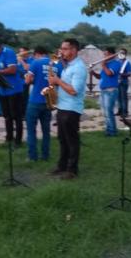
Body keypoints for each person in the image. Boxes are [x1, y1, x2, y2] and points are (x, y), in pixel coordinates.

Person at [48, 38, 87, 179]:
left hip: (71, 109)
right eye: (61, 48)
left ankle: (72, 170)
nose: (61, 51)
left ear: (73, 50)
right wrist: (54, 82)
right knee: (62, 139)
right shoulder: (68, 66)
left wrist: (57, 80)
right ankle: (62, 166)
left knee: (72, 140)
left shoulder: (79, 68)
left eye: (64, 49)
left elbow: (74, 90)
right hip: (62, 106)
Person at [0, 39, 25, 149]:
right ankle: (9, 138)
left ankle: (18, 140)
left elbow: (12, 70)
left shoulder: (9, 52)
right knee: (7, 116)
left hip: (14, 89)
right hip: (2, 90)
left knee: (16, 117)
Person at [25, 46, 60, 162]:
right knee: (46, 131)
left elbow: (28, 81)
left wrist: (29, 78)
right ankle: (45, 155)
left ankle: (32, 156)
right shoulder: (56, 65)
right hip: (48, 101)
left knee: (31, 131)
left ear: (36, 54)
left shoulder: (36, 63)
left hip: (35, 100)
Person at [93, 47, 121, 136]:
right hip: (103, 91)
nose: (104, 56)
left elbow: (109, 73)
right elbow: (100, 77)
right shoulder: (106, 64)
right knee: (105, 113)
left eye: (106, 54)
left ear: (111, 54)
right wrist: (92, 72)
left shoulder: (116, 63)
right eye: (104, 54)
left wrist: (103, 64)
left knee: (109, 112)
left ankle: (112, 131)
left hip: (111, 91)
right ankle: (108, 130)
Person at [117, 48, 131, 117]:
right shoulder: (118, 61)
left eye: (122, 53)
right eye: (120, 52)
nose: (121, 54)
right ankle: (120, 111)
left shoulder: (127, 63)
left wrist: (121, 74)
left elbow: (129, 73)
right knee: (118, 97)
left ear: (125, 54)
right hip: (117, 82)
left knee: (123, 98)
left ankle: (125, 112)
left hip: (124, 82)